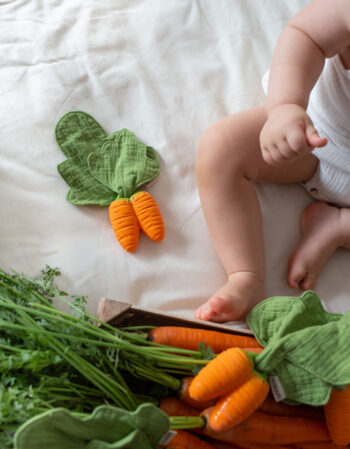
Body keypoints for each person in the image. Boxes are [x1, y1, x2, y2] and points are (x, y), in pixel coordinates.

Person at [194, 0, 350, 323]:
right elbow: (306, 34)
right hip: (315, 129)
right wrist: (286, 106)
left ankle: (337, 227)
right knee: (221, 148)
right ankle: (245, 276)